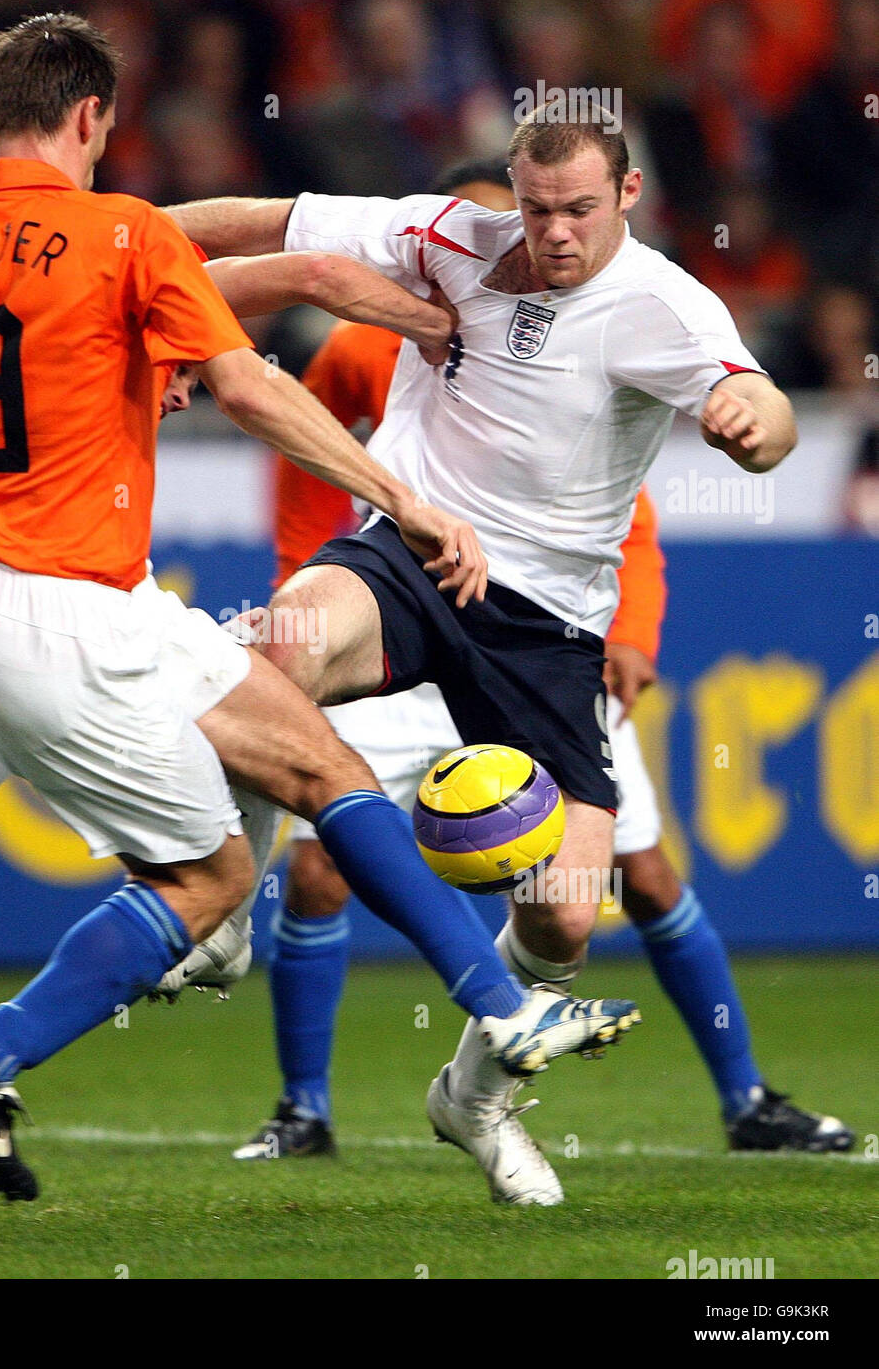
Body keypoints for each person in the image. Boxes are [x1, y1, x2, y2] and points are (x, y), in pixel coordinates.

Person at [0, 12, 637, 1217]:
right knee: (278, 807)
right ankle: (497, 1007)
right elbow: (251, 377)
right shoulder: (125, 234)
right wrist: (407, 500)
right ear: (93, 118)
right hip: (70, 601)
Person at [162, 103, 799, 1198]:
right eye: (538, 207)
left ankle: (474, 1100)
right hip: (417, 554)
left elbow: (758, 400)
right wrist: (112, 229)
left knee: (563, 911)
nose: (553, 234)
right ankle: (218, 903)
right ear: (512, 189)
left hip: (548, 628)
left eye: (579, 211)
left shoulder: (664, 305)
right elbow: (268, 219)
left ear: (629, 198)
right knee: (280, 645)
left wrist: (757, 426)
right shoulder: (455, 234)